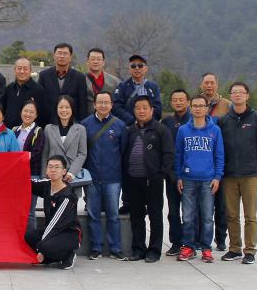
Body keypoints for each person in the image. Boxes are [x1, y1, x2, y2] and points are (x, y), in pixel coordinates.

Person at [218, 82, 257, 265]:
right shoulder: (224, 120)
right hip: (230, 175)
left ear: (247, 95)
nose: (237, 95)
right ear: (230, 96)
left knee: (250, 215)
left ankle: (250, 250)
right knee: (231, 215)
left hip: (250, 175)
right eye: (234, 92)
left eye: (241, 92)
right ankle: (234, 248)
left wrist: (255, 163)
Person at [123, 96, 174, 263]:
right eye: (138, 108)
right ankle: (138, 249)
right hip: (133, 180)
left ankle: (154, 250)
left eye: (145, 107)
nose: (141, 111)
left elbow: (168, 154)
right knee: (136, 217)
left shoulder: (161, 130)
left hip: (153, 181)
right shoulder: (130, 130)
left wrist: (161, 174)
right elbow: (124, 153)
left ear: (152, 110)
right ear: (134, 111)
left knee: (155, 216)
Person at [175, 94, 224, 264]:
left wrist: (217, 177)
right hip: (188, 179)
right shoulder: (183, 130)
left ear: (207, 108)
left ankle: (206, 248)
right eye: (194, 106)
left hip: (208, 180)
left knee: (207, 217)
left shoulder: (215, 130)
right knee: (188, 216)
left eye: (201, 106)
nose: (197, 109)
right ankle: (188, 246)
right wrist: (179, 176)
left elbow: (219, 155)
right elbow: (178, 155)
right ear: (190, 108)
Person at [81, 92, 127, 260]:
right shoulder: (85, 125)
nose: (103, 105)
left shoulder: (120, 125)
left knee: (113, 215)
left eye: (106, 102)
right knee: (93, 215)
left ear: (111, 105)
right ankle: (96, 247)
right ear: (94, 104)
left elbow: (123, 152)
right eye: (99, 102)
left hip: (113, 178)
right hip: (92, 178)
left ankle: (115, 248)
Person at [26, 155, 81, 270]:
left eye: (57, 167)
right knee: (29, 236)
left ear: (64, 171)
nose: (53, 170)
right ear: (46, 170)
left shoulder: (67, 196)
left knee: (45, 246)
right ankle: (49, 258)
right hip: (53, 231)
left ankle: (68, 255)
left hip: (69, 234)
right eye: (50, 167)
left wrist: (40, 248)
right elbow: (27, 183)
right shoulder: (47, 185)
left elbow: (54, 225)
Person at [200, 72, 232, 249]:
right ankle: (201, 239)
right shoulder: (196, 103)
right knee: (202, 205)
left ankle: (220, 239)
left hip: (221, 160)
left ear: (217, 84)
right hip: (202, 161)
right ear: (201, 84)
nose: (209, 86)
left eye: (212, 82)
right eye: (206, 82)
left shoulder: (227, 105)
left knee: (221, 205)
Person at [161, 89, 192, 256]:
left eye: (181, 99)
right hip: (172, 174)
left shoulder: (194, 120)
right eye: (175, 99)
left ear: (188, 102)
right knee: (173, 212)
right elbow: (163, 149)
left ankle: (190, 242)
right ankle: (176, 242)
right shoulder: (166, 122)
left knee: (190, 212)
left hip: (191, 175)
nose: (178, 102)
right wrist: (169, 172)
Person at [42, 95, 88, 192]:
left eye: (67, 107)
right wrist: (44, 175)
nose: (64, 110)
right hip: (53, 176)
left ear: (72, 109)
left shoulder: (80, 129)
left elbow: (82, 153)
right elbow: (45, 154)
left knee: (72, 200)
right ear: (56, 109)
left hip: (72, 177)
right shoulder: (48, 128)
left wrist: (72, 172)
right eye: (61, 107)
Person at [14, 100, 45, 229]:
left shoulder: (38, 131)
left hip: (31, 175)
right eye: (26, 111)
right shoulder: (14, 130)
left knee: (29, 212)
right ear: (21, 112)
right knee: (16, 210)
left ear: (36, 115)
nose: (28, 114)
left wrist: (17, 160)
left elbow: (36, 153)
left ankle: (31, 239)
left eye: (32, 112)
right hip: (15, 176)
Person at [38, 43, 89, 121]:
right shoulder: (44, 75)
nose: (62, 56)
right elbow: (40, 101)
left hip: (72, 122)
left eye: (65, 54)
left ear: (70, 57)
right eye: (59, 53)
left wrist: (81, 123)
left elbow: (82, 104)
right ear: (54, 56)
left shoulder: (79, 77)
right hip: (48, 122)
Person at [113, 54, 163, 126]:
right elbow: (116, 107)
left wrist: (149, 121)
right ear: (129, 69)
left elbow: (158, 108)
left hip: (150, 127)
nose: (137, 68)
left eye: (140, 65)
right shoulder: (122, 86)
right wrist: (131, 121)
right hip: (129, 127)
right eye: (133, 66)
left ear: (146, 69)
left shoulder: (153, 87)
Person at [3, 57, 48, 127]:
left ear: (30, 71)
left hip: (29, 132)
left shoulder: (38, 90)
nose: (22, 71)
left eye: (25, 69)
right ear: (15, 70)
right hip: (9, 131)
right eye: (19, 68)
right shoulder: (9, 88)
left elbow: (43, 115)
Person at [84, 48, 120, 117]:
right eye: (93, 59)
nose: (95, 62)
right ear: (87, 61)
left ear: (103, 62)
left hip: (109, 119)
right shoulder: (80, 80)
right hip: (87, 119)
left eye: (98, 59)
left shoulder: (115, 81)